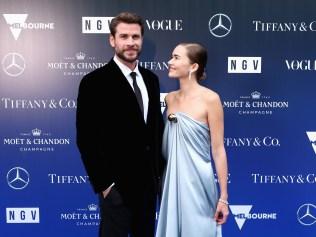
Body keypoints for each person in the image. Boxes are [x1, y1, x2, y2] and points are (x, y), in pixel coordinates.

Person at [76, 12, 164, 237]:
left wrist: (160, 180)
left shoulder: (151, 80)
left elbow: (155, 132)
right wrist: (105, 186)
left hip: (148, 189)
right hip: (117, 190)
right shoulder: (94, 82)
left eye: (136, 37)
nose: (131, 42)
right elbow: (86, 139)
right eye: (124, 36)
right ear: (112, 40)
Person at [155, 43, 229, 237]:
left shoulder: (210, 99)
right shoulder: (170, 99)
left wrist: (223, 197)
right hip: (170, 183)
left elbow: (218, 149)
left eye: (177, 57)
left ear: (194, 66)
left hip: (199, 184)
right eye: (171, 56)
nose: (170, 62)